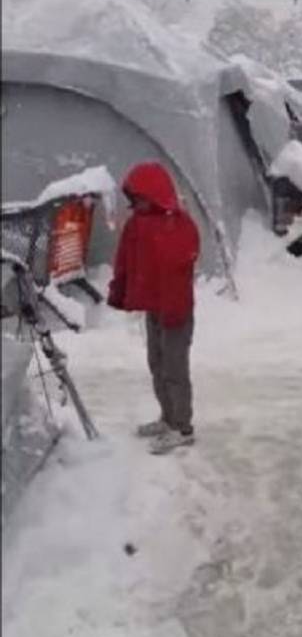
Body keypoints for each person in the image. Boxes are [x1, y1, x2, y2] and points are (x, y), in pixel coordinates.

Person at [107, 162, 200, 454]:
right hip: (155, 308)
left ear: (155, 194)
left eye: (141, 197)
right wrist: (120, 291)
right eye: (134, 198)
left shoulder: (179, 225)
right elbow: (124, 261)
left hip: (176, 310)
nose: (137, 203)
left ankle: (182, 427)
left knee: (174, 368)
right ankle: (167, 417)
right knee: (157, 364)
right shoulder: (137, 224)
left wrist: (174, 308)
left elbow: (179, 269)